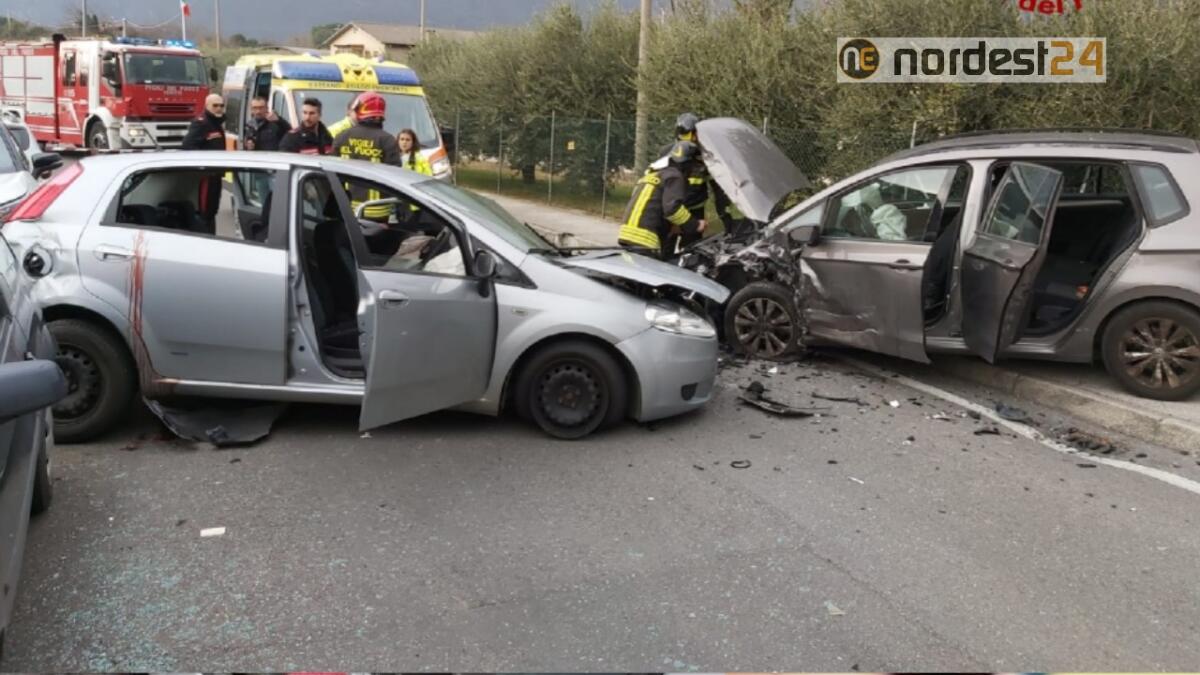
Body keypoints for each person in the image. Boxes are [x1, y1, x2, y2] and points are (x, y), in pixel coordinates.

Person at [657, 111, 733, 253]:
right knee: (664, 253)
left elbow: (718, 190)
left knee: (690, 255)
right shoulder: (666, 152)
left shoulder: (706, 156)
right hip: (672, 210)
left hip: (694, 212)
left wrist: (726, 219)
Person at [618, 140, 704, 260]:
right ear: (686, 163)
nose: (693, 172)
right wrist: (694, 225)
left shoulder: (655, 175)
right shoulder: (674, 176)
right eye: (694, 166)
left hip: (627, 234)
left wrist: (672, 227)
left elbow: (652, 206)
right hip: (645, 239)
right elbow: (672, 209)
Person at [333, 91, 401, 221]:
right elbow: (396, 174)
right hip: (378, 211)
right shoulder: (387, 140)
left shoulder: (342, 136)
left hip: (346, 208)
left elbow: (331, 171)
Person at [181, 94, 227, 230]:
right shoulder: (201, 123)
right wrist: (203, 165)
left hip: (216, 174)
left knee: (213, 209)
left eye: (221, 105)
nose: (219, 108)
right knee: (205, 211)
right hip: (206, 176)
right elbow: (187, 146)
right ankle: (205, 237)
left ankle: (212, 237)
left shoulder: (216, 124)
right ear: (207, 106)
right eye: (215, 105)